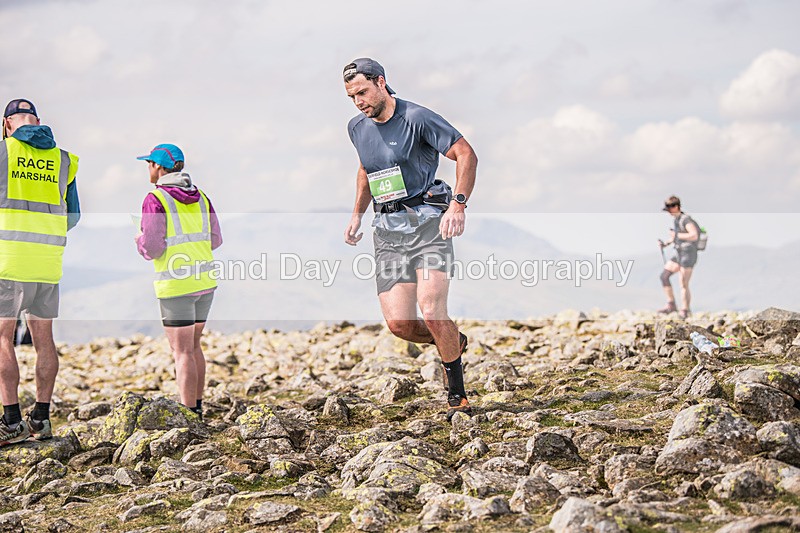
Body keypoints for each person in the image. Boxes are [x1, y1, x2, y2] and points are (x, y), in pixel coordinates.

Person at [342, 58, 478, 420]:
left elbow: (465, 154)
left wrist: (458, 205)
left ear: (381, 83)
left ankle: (457, 395)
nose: (358, 102)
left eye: (363, 92)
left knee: (432, 310)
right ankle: (452, 341)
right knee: (400, 325)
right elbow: (365, 169)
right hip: (387, 230)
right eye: (352, 96)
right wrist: (357, 213)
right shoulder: (357, 127)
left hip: (429, 223)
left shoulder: (417, 118)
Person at [0, 98, 81, 445]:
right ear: (37, 121)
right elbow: (73, 215)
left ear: (7, 125)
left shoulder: (3, 152)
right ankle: (42, 418)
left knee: (3, 338)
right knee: (43, 340)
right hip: (48, 261)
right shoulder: (63, 160)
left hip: (8, 259)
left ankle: (12, 422)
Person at [135, 144, 221, 420]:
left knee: (181, 351)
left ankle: (189, 415)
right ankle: (197, 406)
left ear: (159, 167)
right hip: (205, 281)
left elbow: (153, 247)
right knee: (194, 347)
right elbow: (215, 239)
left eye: (149, 163)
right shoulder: (202, 197)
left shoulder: (155, 198)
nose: (148, 168)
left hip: (176, 286)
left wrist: (140, 243)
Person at [657, 195, 699, 319]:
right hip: (679, 253)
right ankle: (671, 304)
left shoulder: (686, 219)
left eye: (670, 208)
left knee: (683, 283)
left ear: (676, 207)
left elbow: (694, 235)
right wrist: (666, 243)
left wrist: (677, 235)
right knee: (664, 276)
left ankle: (685, 310)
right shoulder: (677, 220)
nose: (668, 212)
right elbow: (676, 236)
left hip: (688, 254)